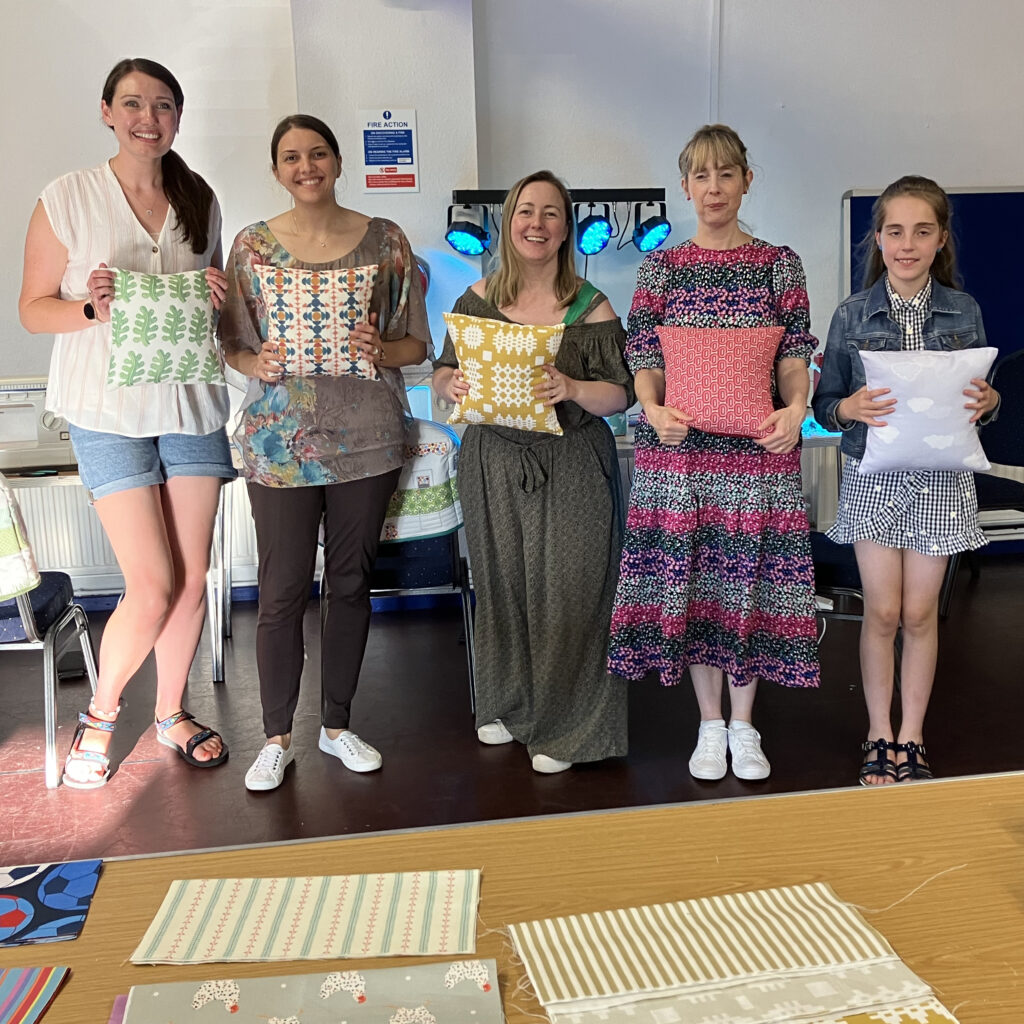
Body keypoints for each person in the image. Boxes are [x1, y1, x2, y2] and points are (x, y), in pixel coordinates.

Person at [18, 58, 234, 789]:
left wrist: (215, 293)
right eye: (134, 104)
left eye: (164, 105)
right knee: (150, 583)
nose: (149, 118)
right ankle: (103, 714)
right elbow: (31, 307)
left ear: (179, 116)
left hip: (190, 403)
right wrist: (89, 306)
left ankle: (171, 712)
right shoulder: (67, 197)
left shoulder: (199, 198)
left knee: (194, 576)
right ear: (107, 111)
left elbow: (225, 314)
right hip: (105, 410)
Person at [219, 114, 429, 792]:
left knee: (349, 583)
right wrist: (259, 361)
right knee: (280, 591)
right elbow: (231, 346)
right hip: (279, 442)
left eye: (317, 154)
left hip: (368, 437)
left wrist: (380, 349)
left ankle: (336, 725)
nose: (306, 166)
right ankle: (276, 736)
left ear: (338, 162)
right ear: (277, 170)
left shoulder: (385, 241)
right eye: (291, 157)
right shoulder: (251, 248)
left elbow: (414, 346)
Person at [607, 124, 820, 782]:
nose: (714, 187)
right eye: (702, 175)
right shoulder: (660, 267)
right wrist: (650, 407)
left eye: (726, 174)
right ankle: (708, 723)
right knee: (694, 581)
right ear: (685, 187)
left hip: (758, 452)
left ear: (746, 180)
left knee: (747, 580)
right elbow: (641, 351)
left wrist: (796, 411)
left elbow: (794, 352)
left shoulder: (778, 262)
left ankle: (745, 724)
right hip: (679, 453)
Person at [433, 170, 633, 774]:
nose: (536, 223)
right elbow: (443, 376)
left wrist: (572, 386)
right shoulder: (477, 300)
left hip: (572, 462)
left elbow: (621, 395)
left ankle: (569, 727)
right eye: (525, 211)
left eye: (550, 213)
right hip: (492, 460)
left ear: (567, 227)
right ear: (507, 222)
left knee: (570, 593)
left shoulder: (590, 305)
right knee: (501, 584)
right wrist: (452, 383)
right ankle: (509, 703)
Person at [813, 175, 999, 786]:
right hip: (873, 477)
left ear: (940, 238)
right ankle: (877, 733)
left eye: (923, 231)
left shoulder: (963, 310)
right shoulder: (850, 313)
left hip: (943, 480)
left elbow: (979, 400)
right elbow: (824, 404)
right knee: (884, 611)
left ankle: (911, 735)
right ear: (879, 238)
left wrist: (991, 402)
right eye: (896, 231)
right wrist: (848, 410)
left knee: (921, 613)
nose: (908, 244)